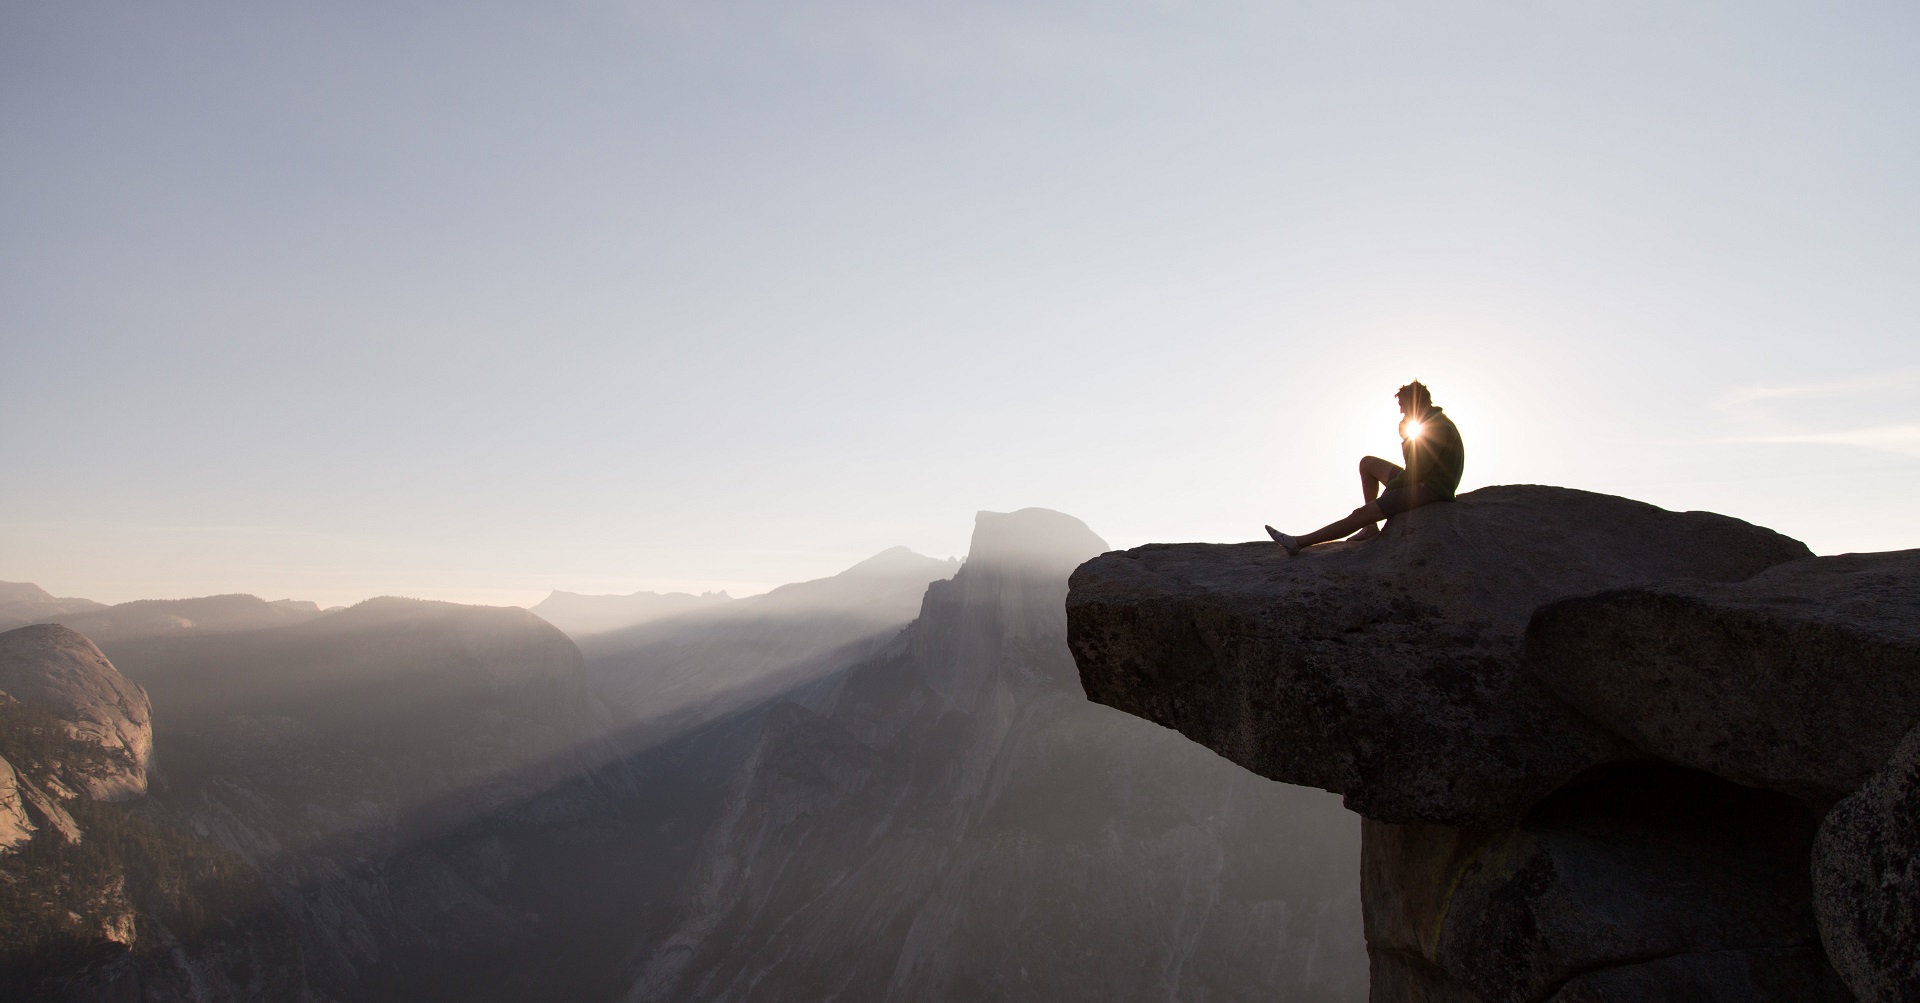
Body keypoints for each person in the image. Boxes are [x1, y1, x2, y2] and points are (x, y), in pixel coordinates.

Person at [1265, 380, 1465, 556]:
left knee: (1361, 513)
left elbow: (1415, 472)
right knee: (1367, 463)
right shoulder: (1430, 422)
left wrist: (1390, 491)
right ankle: (1370, 528)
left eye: (1403, 406)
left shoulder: (1436, 426)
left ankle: (1297, 543)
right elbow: (1414, 465)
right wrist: (1406, 438)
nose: (1401, 412)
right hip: (1422, 479)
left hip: (1430, 489)